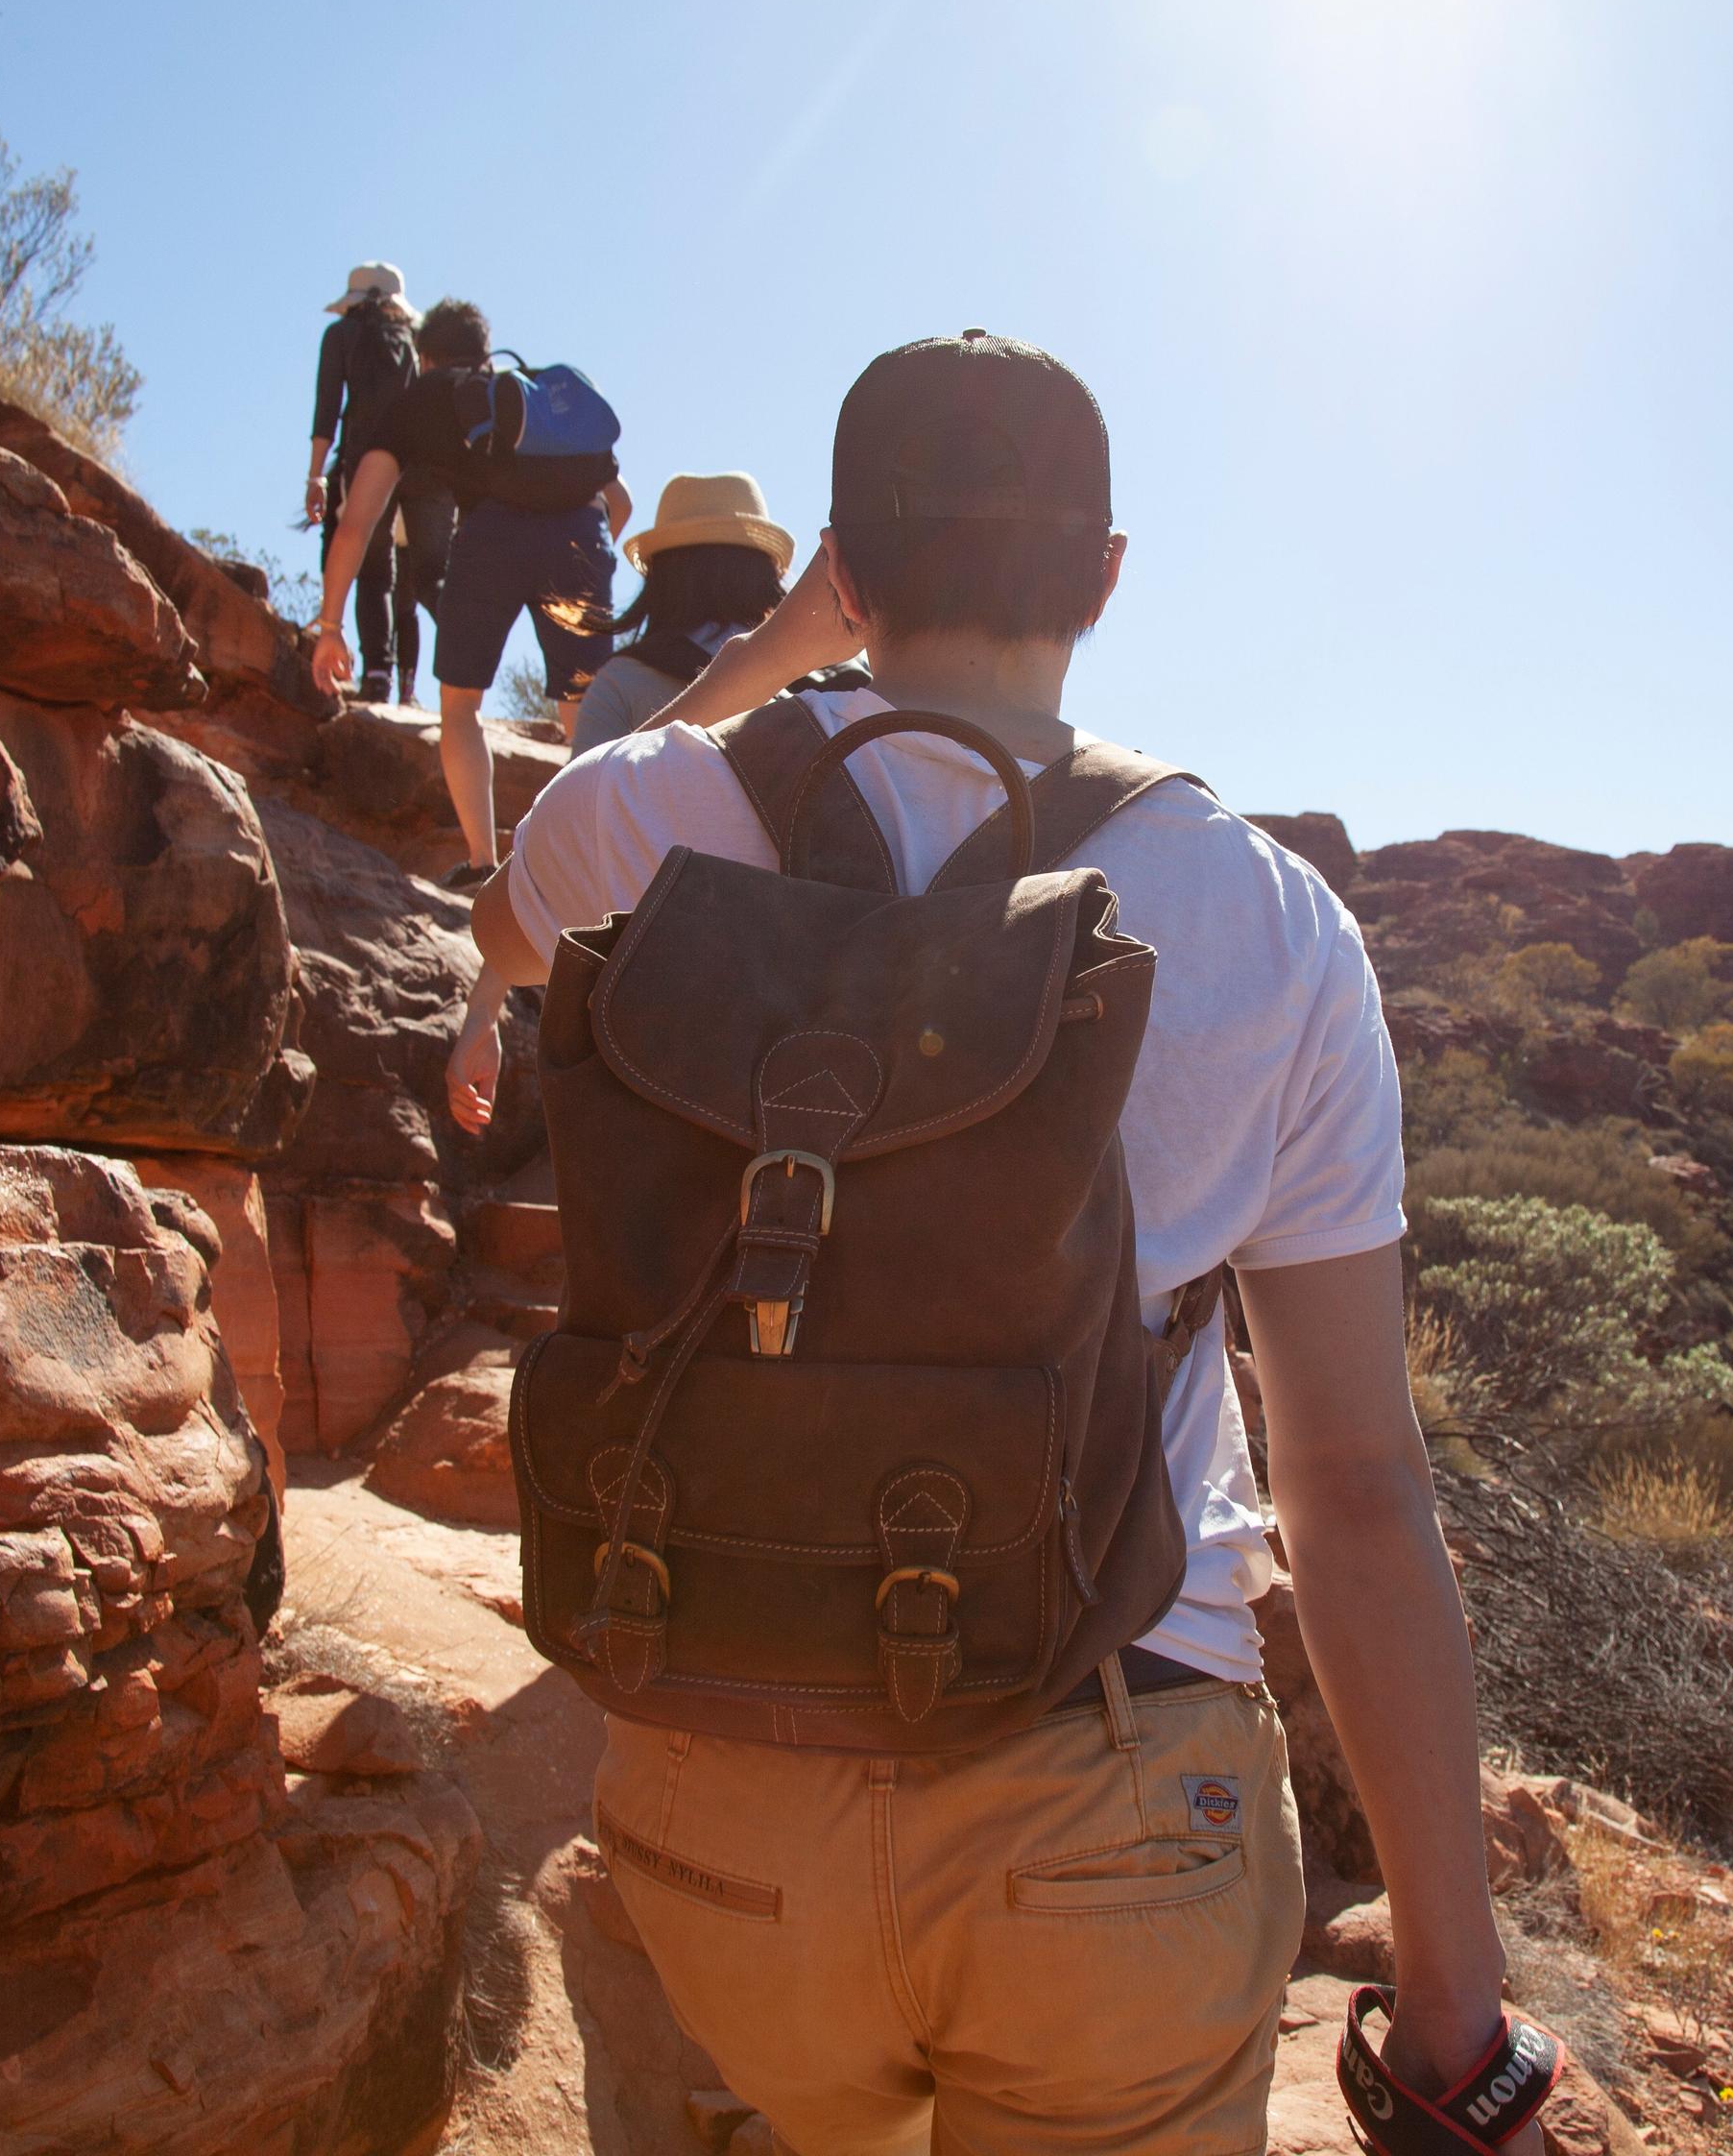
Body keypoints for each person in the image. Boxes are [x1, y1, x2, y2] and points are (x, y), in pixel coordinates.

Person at [444, 331, 1529, 2153]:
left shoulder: (637, 815)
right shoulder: (1275, 928)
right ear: (1105, 580)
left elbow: (505, 916)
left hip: (727, 1777)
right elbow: (1353, 1486)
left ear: (841, 569)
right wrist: (1450, 2008)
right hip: (1109, 1790)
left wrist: (780, 657)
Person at [313, 297, 629, 888]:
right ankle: (594, 867)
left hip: (490, 539)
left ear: (425, 356)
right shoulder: (532, 401)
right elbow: (622, 502)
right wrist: (583, 557)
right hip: (581, 535)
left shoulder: (417, 402)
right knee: (582, 711)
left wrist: (330, 627)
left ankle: (484, 864)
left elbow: (357, 523)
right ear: (485, 352)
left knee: (461, 703)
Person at [566, 471, 792, 752]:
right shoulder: (810, 675)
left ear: (660, 579)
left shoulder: (619, 681)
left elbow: (579, 794)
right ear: (764, 575)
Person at [296, 263, 427, 704]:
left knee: (359, 559)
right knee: (392, 577)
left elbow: (327, 408)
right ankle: (392, 679)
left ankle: (364, 670)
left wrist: (316, 475)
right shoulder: (411, 343)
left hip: (363, 460)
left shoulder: (341, 336)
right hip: (414, 470)